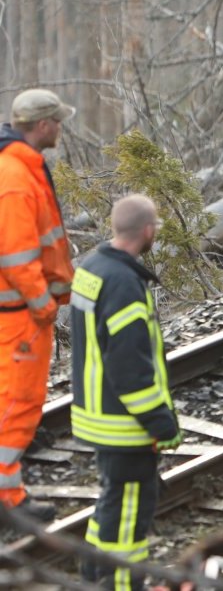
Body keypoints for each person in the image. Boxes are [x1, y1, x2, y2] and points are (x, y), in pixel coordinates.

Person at [69, 194, 180, 590]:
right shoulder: (124, 286)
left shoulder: (91, 268)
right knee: (130, 519)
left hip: (95, 414)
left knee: (111, 503)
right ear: (148, 231)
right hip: (123, 424)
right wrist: (161, 423)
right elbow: (130, 371)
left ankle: (92, 574)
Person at [0, 89, 76, 522]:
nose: (61, 129)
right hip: (19, 317)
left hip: (17, 312)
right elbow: (14, 254)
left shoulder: (21, 166)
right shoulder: (14, 175)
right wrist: (43, 303)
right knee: (18, 402)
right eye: (58, 122)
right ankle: (8, 500)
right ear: (43, 125)